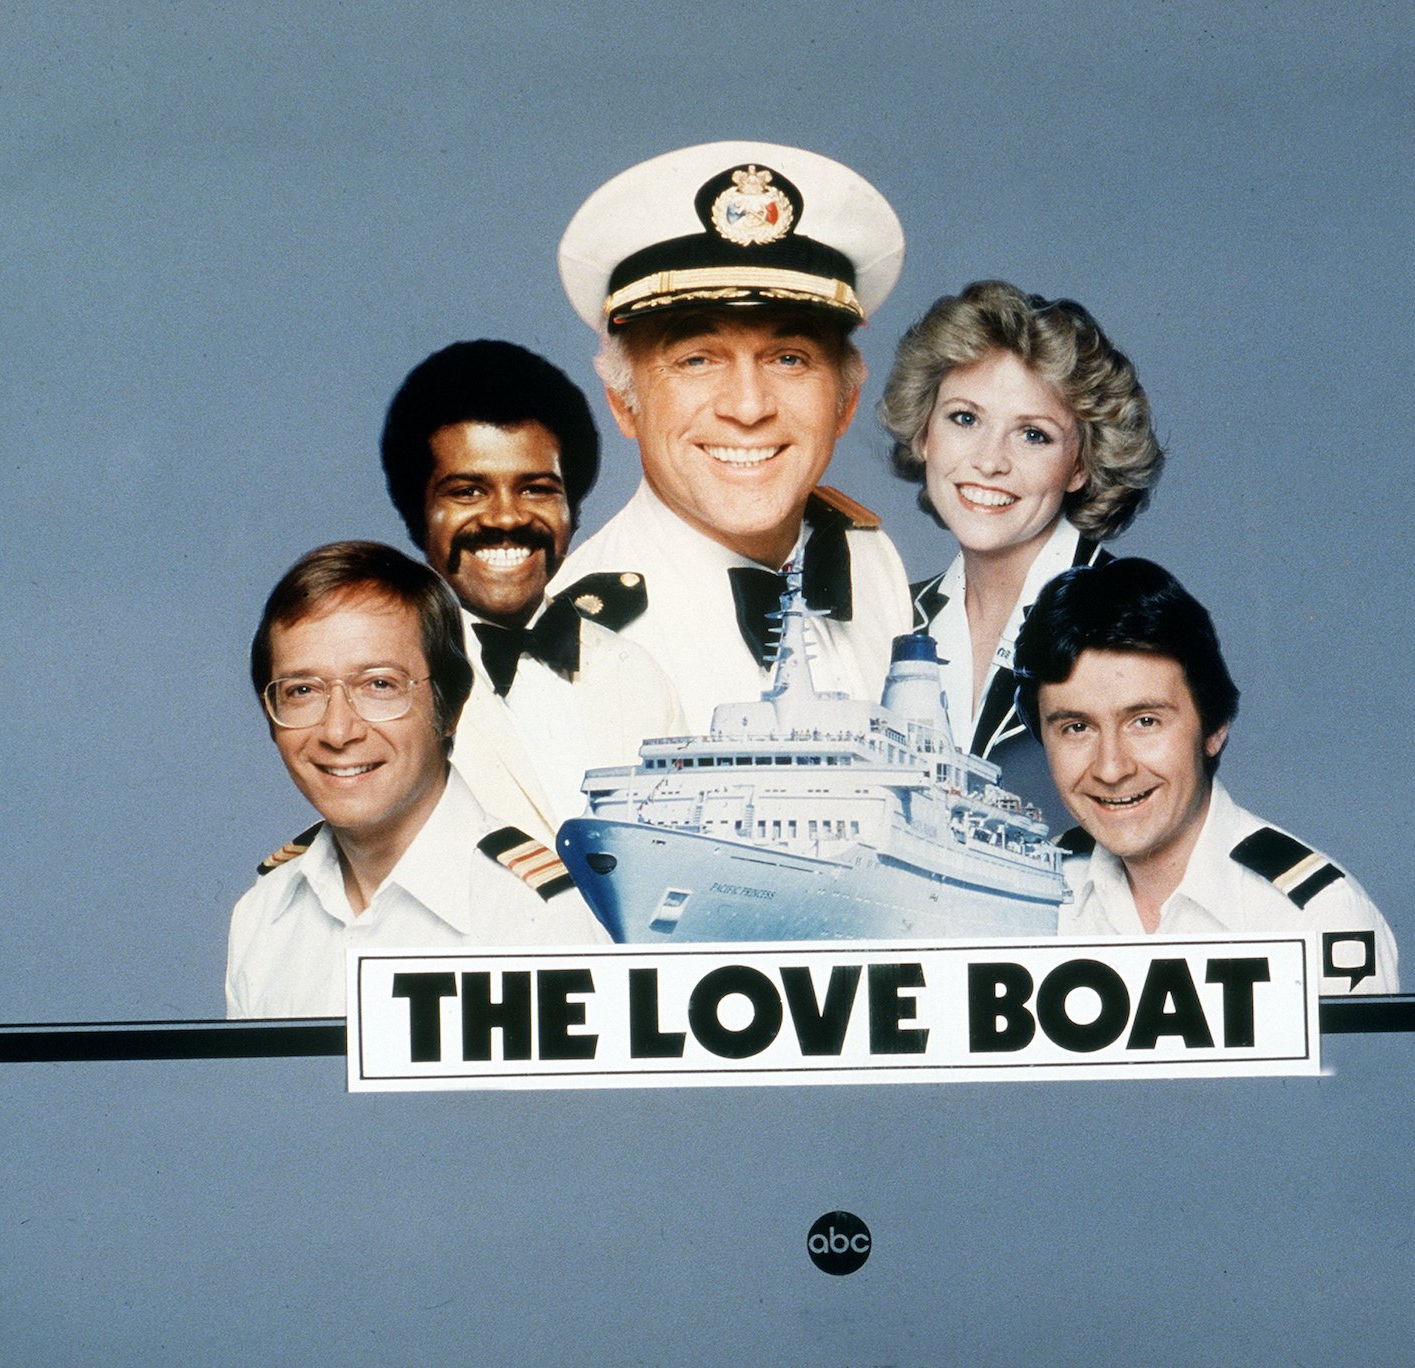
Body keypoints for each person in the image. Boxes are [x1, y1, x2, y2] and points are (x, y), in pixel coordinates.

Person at [548, 141, 914, 731]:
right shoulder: (573, 642)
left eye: (789, 358)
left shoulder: (871, 563)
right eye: (696, 359)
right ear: (623, 404)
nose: (748, 407)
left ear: (845, 402)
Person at [227, 541, 607, 1019]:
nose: (338, 731)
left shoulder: (542, 921)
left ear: (450, 708)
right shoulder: (263, 914)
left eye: (379, 685)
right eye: (302, 690)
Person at [1014, 558, 1399, 995]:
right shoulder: (1027, 893)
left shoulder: (1320, 920)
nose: (1111, 768)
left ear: (1214, 729)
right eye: (1076, 728)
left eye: (1145, 722)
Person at [878, 280, 1163, 828]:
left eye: (1033, 435)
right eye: (965, 419)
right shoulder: (888, 614)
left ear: (1079, 465)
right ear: (925, 435)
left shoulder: (1140, 623)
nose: (990, 461)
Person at [380, 339, 684, 847]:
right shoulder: (383, 690)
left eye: (536, 489)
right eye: (468, 491)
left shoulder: (638, 673)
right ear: (419, 517)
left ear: (572, 510)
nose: (506, 517)